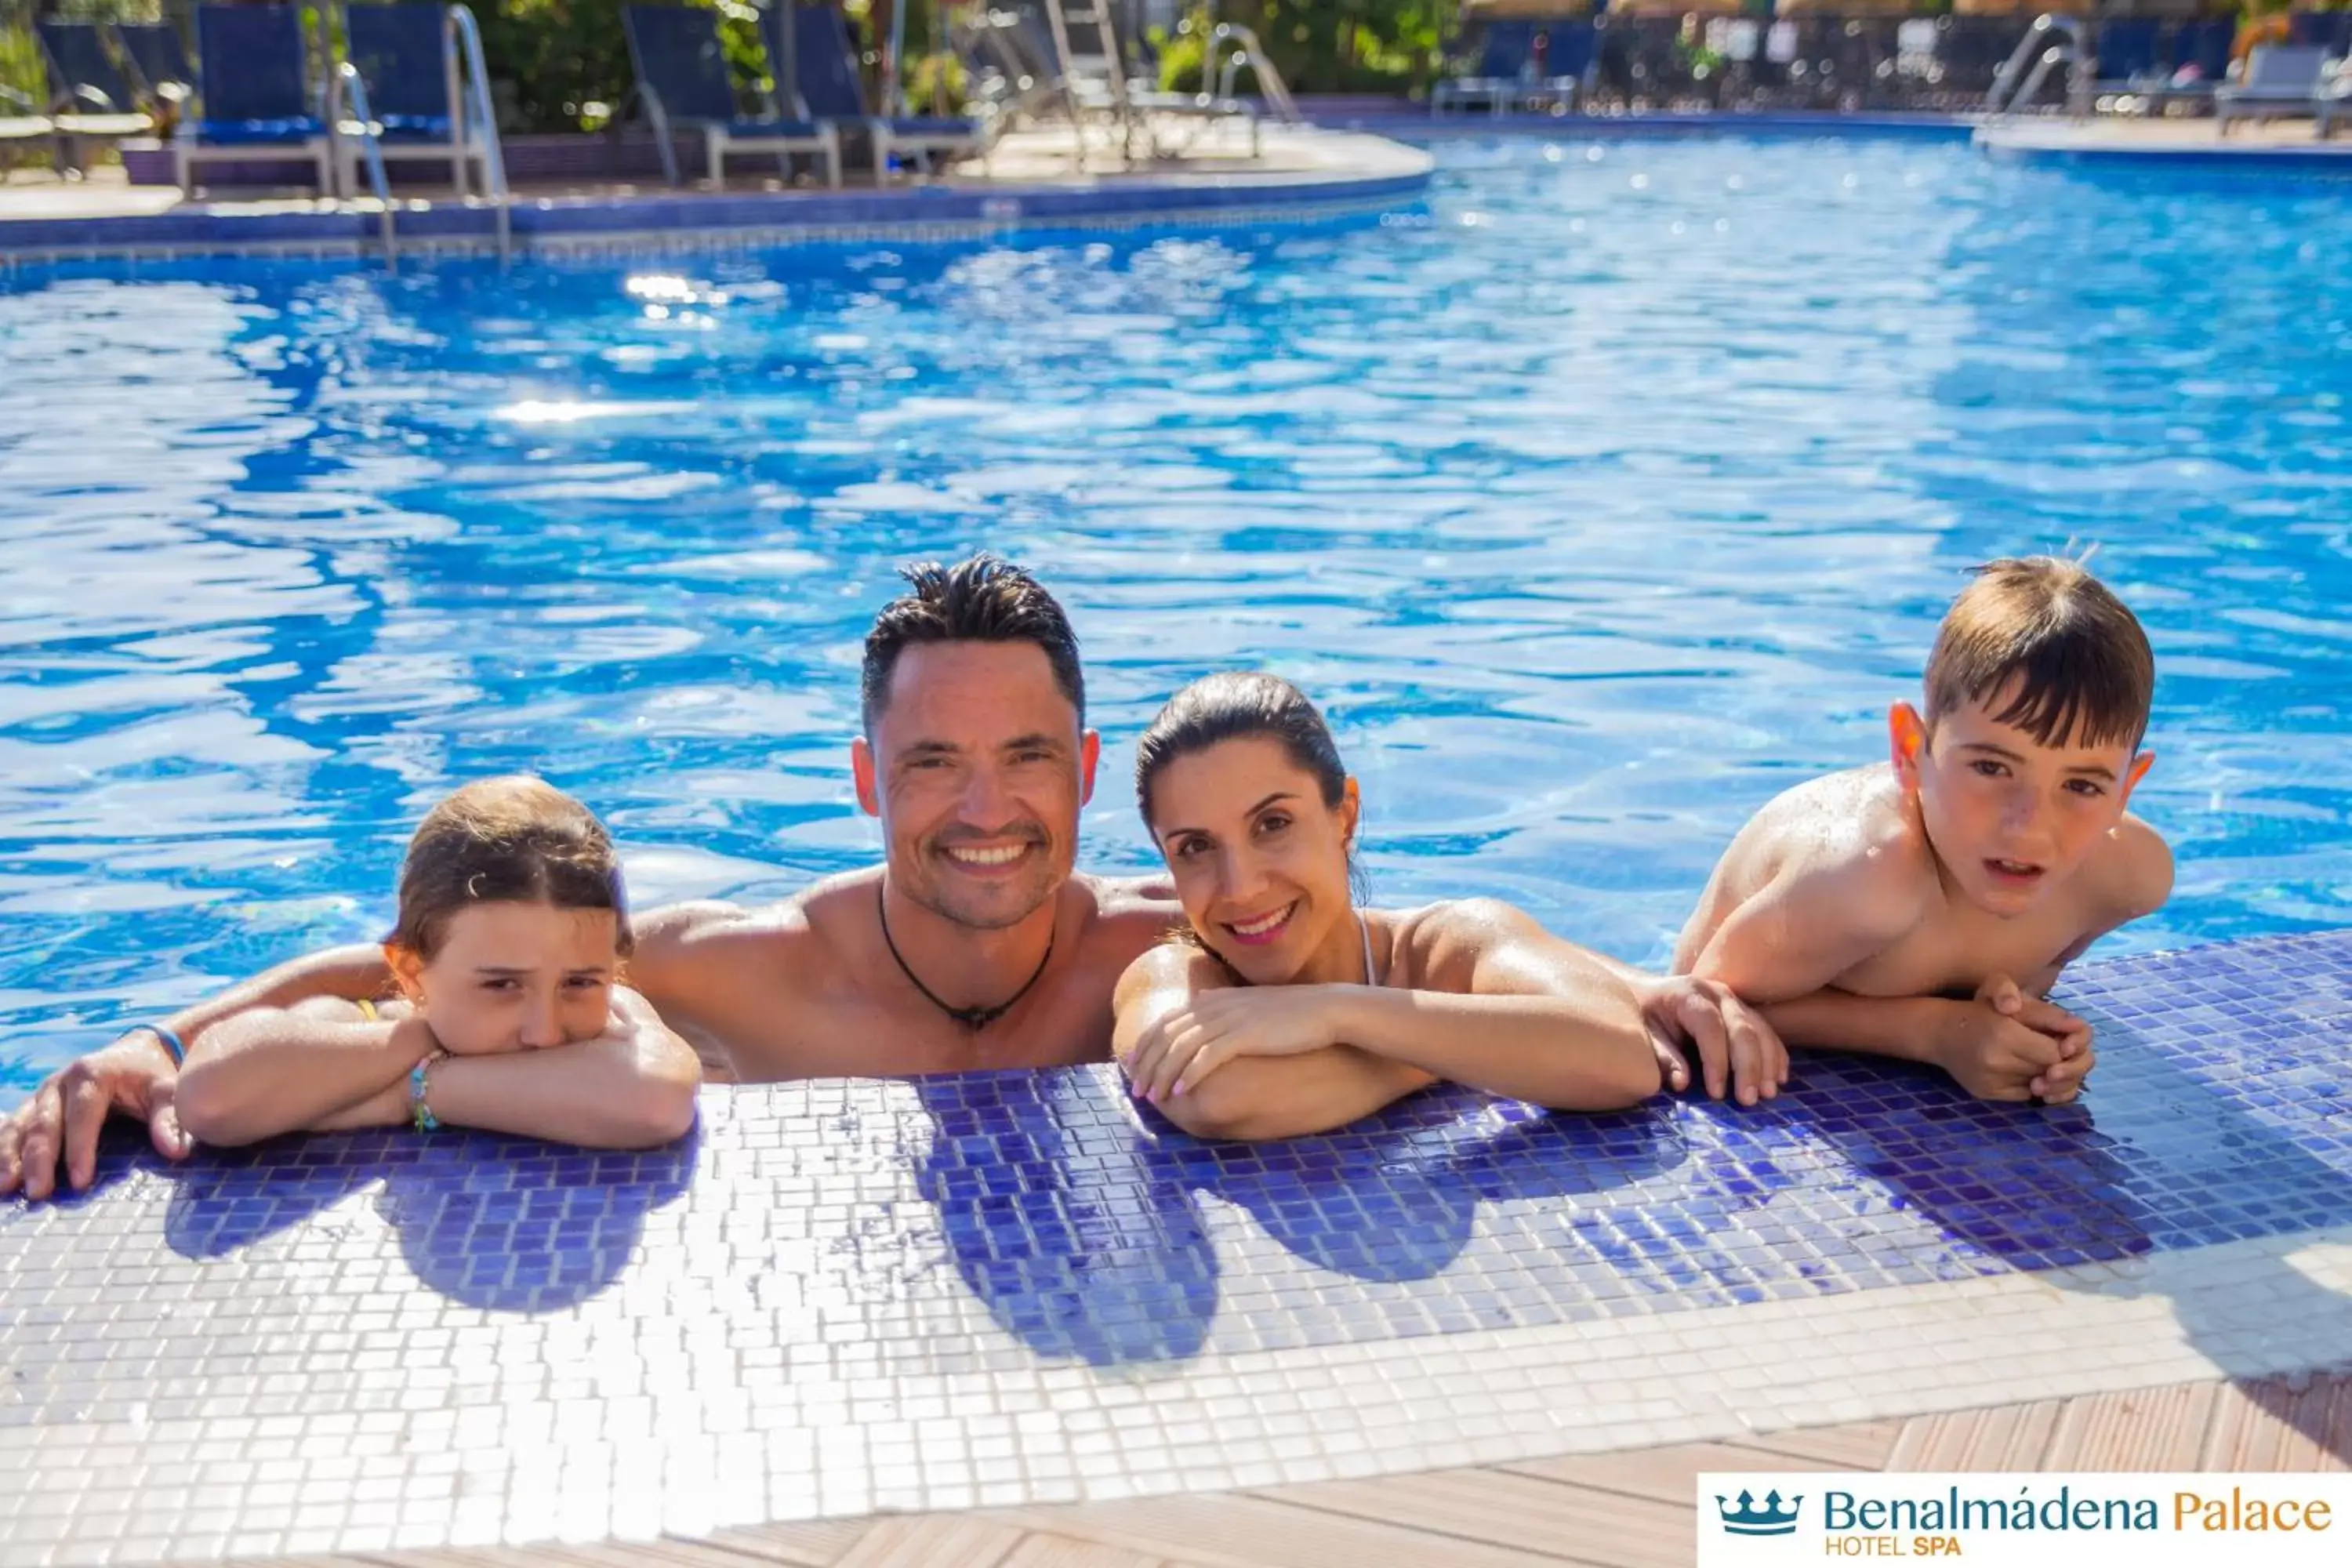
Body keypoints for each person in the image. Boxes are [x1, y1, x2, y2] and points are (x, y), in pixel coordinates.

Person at [2, 554, 1765, 1199]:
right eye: (932, 763)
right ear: (865, 779)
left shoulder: (1183, 931)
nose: (982, 811)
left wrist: (1652, 986)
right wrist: (159, 1044)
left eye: (1023, 764)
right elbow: (421, 960)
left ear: (1087, 778)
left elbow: (1427, 932)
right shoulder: (746, 964)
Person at [1113, 673, 1785, 1141]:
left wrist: (1333, 1012)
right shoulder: (1174, 979)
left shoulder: (1450, 943)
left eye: (1273, 825)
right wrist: (1478, 1051)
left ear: (1343, 814)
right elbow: (1221, 1097)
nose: (1241, 886)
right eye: (1196, 847)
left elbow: (1619, 1056)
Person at [1672, 556, 2172, 1105]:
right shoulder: (1867, 879)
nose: (2029, 826)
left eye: (2081, 787)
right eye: (1991, 768)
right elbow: (1701, 998)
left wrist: (2022, 1021)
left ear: (2126, 789)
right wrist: (1936, 1034)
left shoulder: (2125, 880)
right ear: (1912, 750)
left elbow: (2038, 971)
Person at [172, 775, 701, 1149]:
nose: (543, 1031)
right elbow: (210, 1097)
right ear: (410, 973)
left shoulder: (619, 1015)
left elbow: (657, 1102)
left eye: (581, 982)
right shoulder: (360, 1026)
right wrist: (417, 1041)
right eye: (501, 985)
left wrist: (414, 1092)